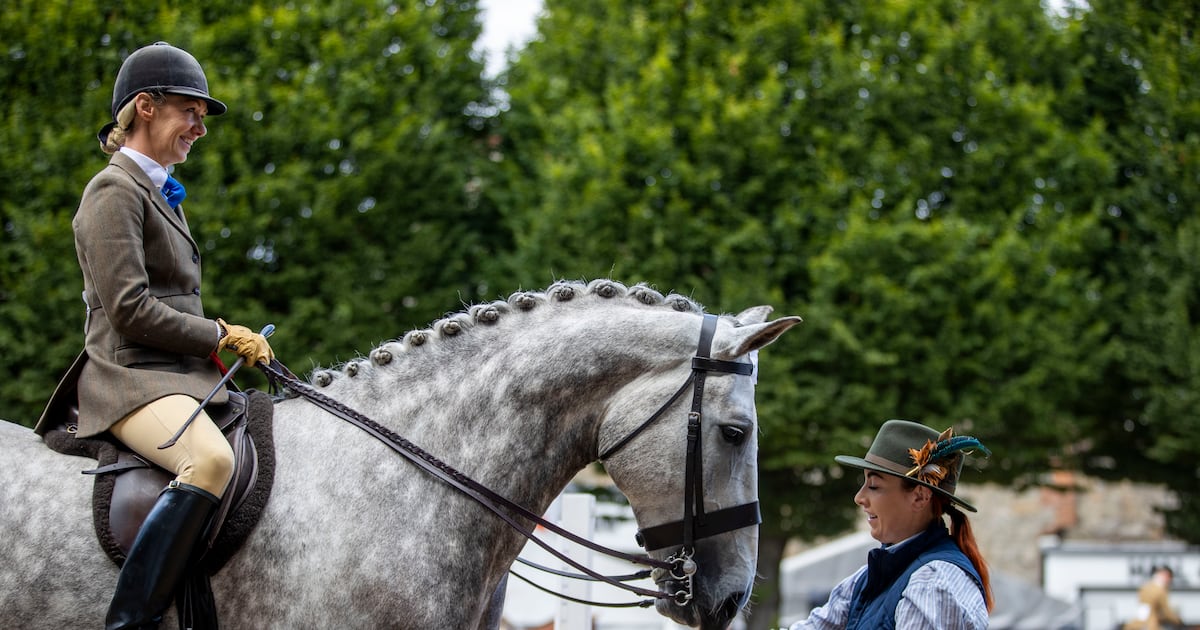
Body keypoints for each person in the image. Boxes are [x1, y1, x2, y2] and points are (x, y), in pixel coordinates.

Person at [34, 41, 273, 629]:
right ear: (145, 106)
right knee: (210, 461)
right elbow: (129, 309)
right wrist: (218, 334)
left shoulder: (159, 192)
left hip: (176, 377)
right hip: (129, 379)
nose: (200, 128)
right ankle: (130, 623)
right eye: (190, 112)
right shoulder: (112, 191)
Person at [790, 419, 993, 630]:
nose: (859, 497)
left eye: (874, 486)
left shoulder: (931, 583)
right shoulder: (870, 577)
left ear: (920, 497)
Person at [1123, 566, 1184, 630]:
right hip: (1151, 625)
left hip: (1138, 623)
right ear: (1167, 576)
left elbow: (1146, 608)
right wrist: (1178, 621)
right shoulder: (1161, 590)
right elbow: (1167, 612)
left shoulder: (1145, 587)